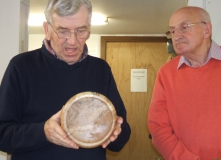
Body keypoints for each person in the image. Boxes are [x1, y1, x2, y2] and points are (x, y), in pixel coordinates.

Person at [0, 0, 131, 159]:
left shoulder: (101, 69)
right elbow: (3, 134)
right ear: (47, 30)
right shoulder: (21, 67)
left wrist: (114, 132)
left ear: (89, 29)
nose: (72, 41)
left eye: (81, 30)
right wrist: (43, 132)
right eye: (63, 31)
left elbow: (122, 135)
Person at [147, 6, 221, 160]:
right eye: (172, 31)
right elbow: (158, 127)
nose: (176, 35)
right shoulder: (166, 74)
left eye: (184, 27)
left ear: (207, 30)